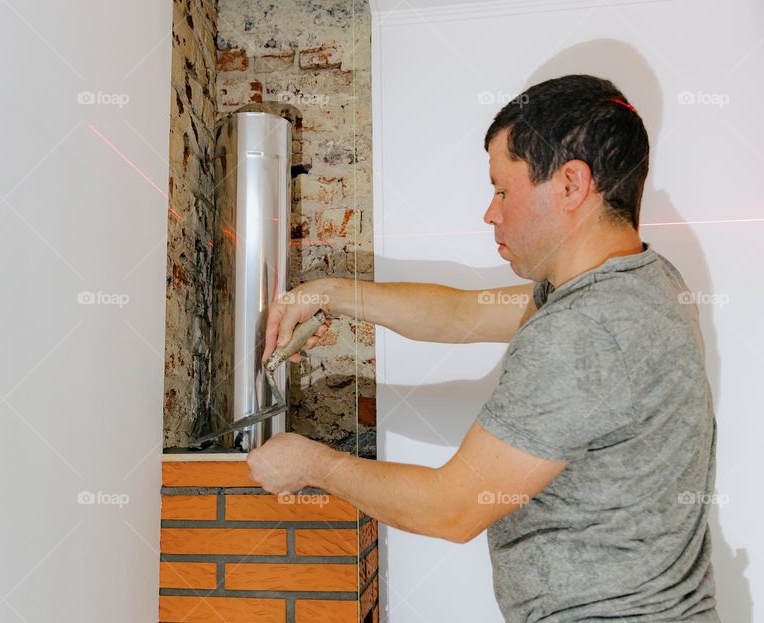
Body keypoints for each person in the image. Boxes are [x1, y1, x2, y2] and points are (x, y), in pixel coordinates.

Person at [246, 74, 719, 622]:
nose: (490, 213)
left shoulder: (588, 329)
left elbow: (451, 508)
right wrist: (329, 295)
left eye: (501, 190)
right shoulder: (641, 280)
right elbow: (460, 315)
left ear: (571, 185)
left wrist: (311, 464)